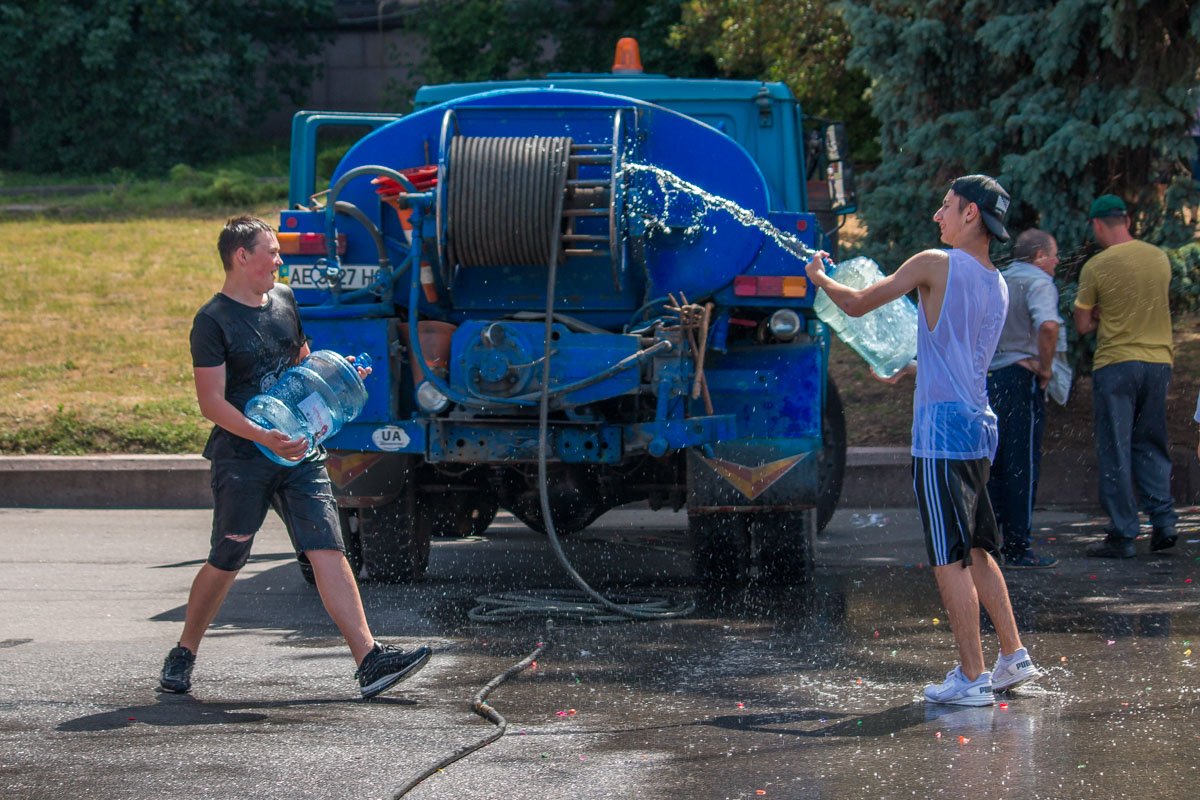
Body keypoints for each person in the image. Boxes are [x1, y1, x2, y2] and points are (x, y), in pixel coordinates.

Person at [160, 216, 432, 699]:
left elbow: (302, 366)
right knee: (228, 556)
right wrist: (263, 437)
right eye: (271, 252)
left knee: (327, 547)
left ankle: (369, 659)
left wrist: (341, 380)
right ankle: (184, 650)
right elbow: (211, 402)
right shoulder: (213, 321)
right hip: (243, 457)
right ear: (241, 256)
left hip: (299, 452)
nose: (279, 261)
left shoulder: (284, 300)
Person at [806, 175, 1041, 706]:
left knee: (948, 556)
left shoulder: (934, 263)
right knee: (979, 548)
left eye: (947, 206)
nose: (938, 215)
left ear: (971, 214)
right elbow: (963, 357)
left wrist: (820, 279)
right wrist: (914, 368)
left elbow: (858, 304)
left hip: (941, 435)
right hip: (978, 428)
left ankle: (972, 677)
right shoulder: (997, 282)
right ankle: (1012, 656)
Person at [1073, 195, 1177, 558]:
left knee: (1115, 447)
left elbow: (1082, 324)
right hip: (1158, 363)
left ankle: (1123, 534)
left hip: (1116, 364)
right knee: (1151, 441)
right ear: (1128, 220)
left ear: (1097, 224)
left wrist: (1099, 314)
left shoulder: (1096, 267)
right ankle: (1164, 521)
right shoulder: (1159, 258)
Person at [986, 229, 1061, 569]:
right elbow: (1048, 326)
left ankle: (991, 543)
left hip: (992, 379)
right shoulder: (1039, 282)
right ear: (1039, 256)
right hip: (1021, 377)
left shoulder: (998, 279)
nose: (1057, 262)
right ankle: (1019, 546)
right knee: (1022, 463)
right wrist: (1046, 367)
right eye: (1054, 255)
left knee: (996, 463)